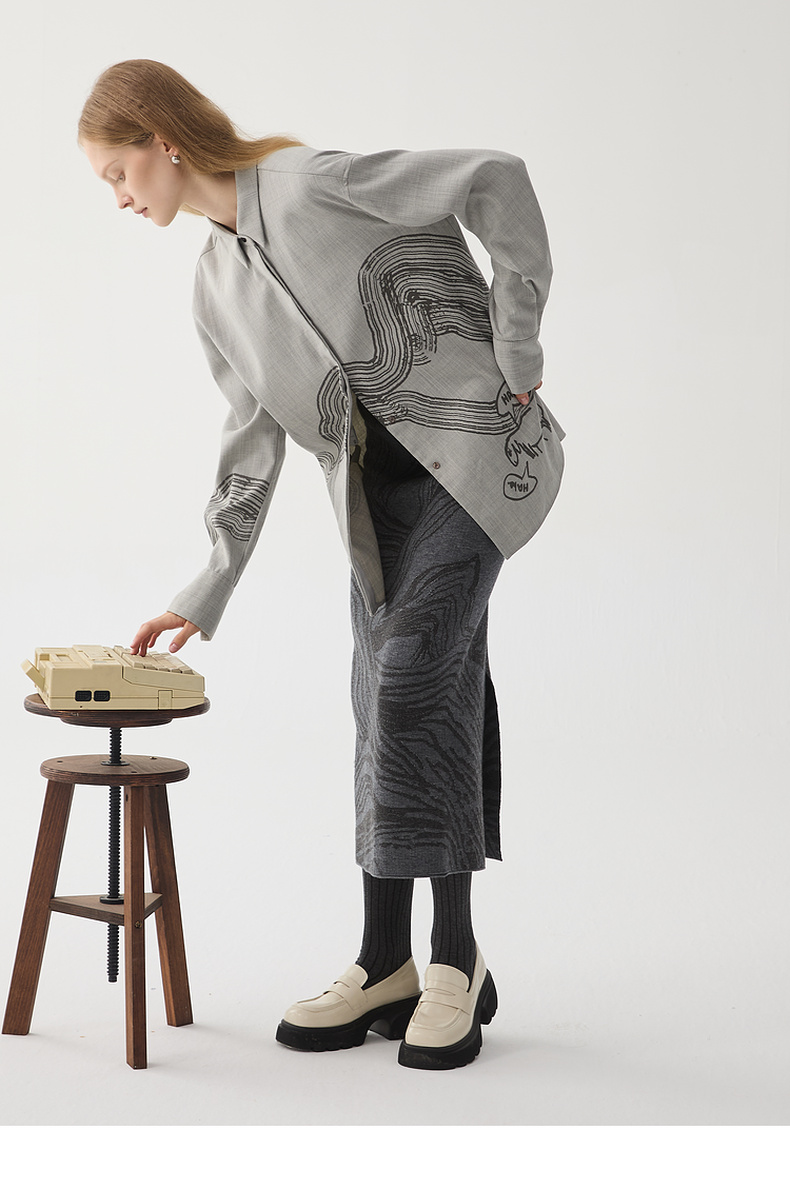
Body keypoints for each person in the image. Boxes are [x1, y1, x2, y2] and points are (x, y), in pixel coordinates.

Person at [79, 59, 565, 1071]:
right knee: (385, 698)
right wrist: (208, 584)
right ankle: (386, 958)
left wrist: (517, 350)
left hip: (475, 461)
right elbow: (250, 440)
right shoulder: (213, 288)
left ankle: (454, 956)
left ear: (163, 140)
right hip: (372, 509)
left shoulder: (311, 183)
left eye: (119, 171)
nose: (118, 197)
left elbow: (497, 176)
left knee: (411, 676)